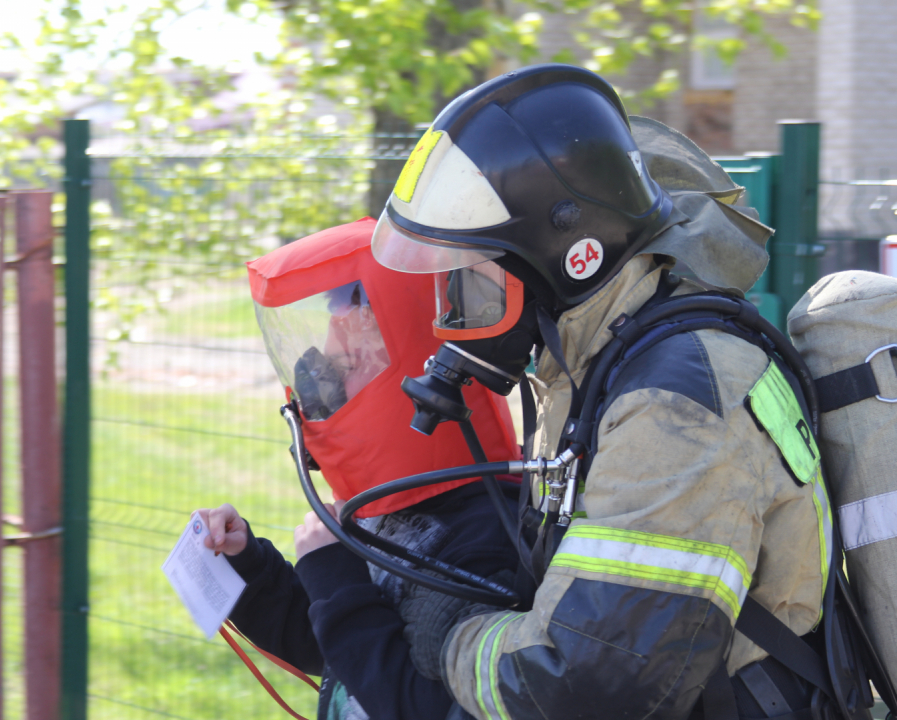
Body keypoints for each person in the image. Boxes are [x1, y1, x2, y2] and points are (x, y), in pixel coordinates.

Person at [371, 64, 869, 720]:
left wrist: (452, 636)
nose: (451, 317)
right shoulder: (592, 365)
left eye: (468, 280)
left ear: (564, 253)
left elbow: (583, 688)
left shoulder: (674, 405)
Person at [197, 218, 526, 720]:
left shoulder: (486, 538)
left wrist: (333, 575)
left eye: (348, 366)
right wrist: (248, 565)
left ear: (420, 377)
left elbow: (420, 704)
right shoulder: (385, 507)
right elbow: (333, 645)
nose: (315, 397)